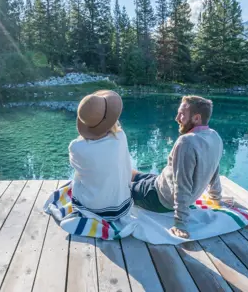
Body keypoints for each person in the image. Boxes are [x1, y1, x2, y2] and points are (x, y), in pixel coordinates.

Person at [130, 95, 224, 239]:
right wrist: (216, 197)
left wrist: (180, 223)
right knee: (134, 174)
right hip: (162, 182)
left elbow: (182, 185)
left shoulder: (186, 142)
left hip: (159, 198)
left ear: (197, 118)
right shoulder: (214, 136)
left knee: (120, 187)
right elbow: (214, 169)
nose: (177, 118)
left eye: (182, 114)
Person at [68, 90, 133, 221]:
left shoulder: (76, 147)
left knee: (77, 177)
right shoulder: (120, 137)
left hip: (94, 209)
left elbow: (78, 169)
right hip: (122, 207)